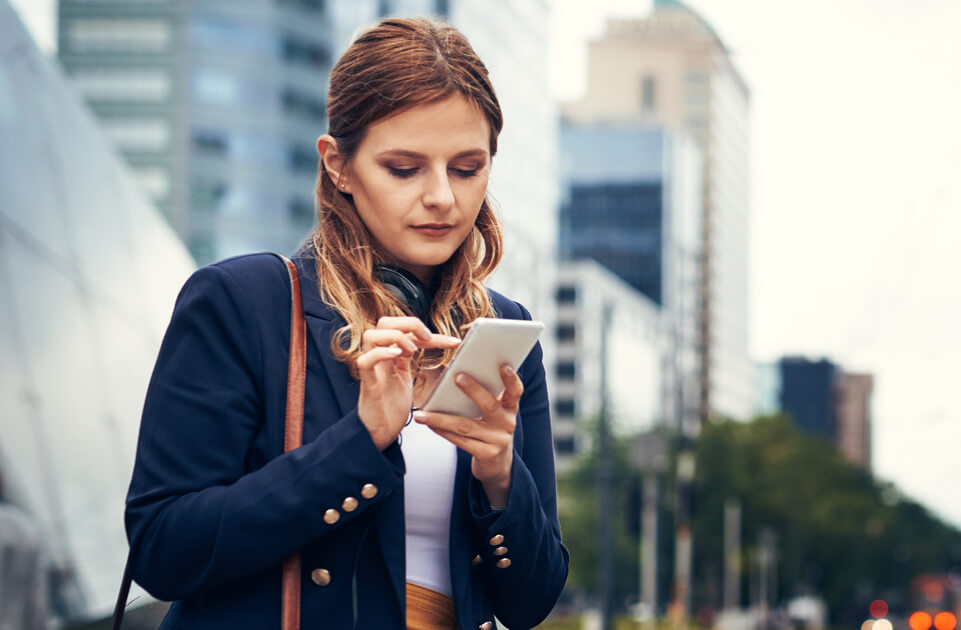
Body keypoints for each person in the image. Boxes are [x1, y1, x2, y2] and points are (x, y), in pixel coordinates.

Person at [124, 16, 568, 630]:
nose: (443, 196)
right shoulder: (242, 304)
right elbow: (163, 551)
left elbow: (532, 601)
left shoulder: (503, 331)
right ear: (338, 165)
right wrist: (359, 441)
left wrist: (500, 475)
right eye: (405, 168)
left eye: (467, 168)